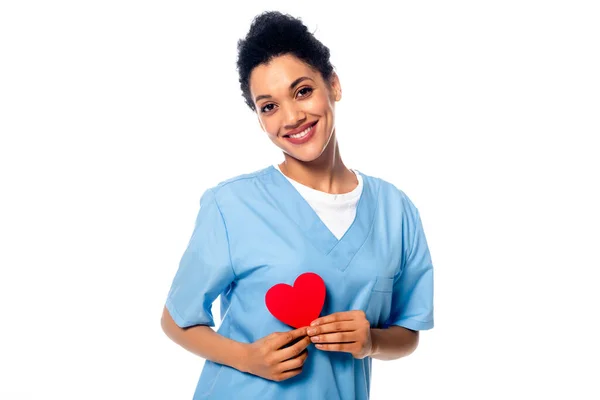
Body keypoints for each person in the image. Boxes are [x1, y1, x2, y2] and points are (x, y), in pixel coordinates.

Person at [161, 11, 434, 400]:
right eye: (268, 106)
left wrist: (371, 341)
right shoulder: (232, 205)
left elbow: (409, 333)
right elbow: (176, 319)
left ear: (334, 85)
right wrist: (247, 358)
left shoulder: (397, 211)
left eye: (302, 91)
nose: (291, 117)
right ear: (259, 119)